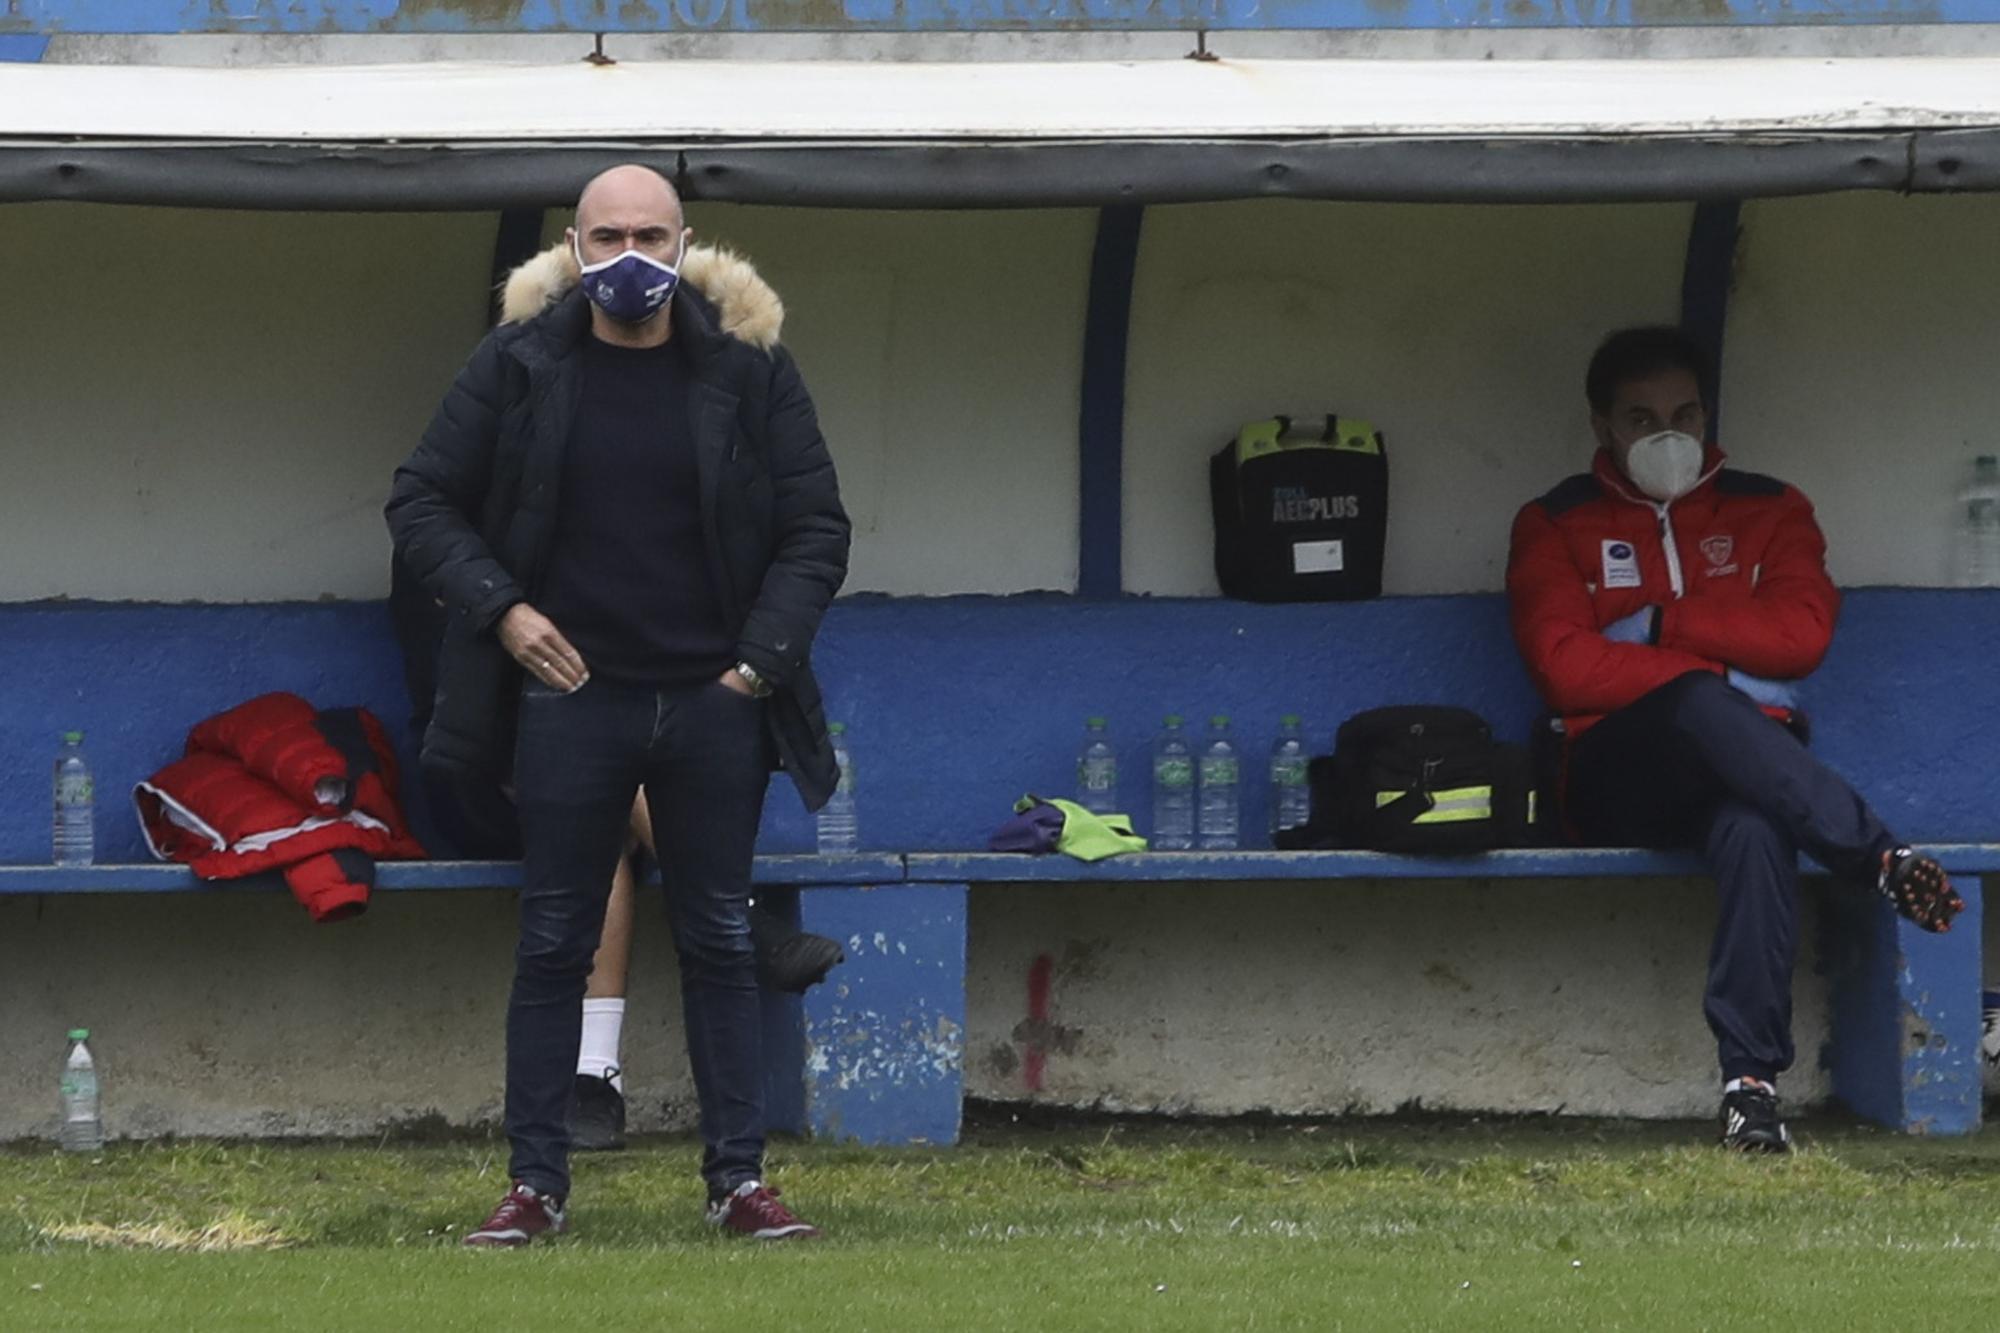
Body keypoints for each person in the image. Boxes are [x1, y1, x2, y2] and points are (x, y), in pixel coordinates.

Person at [388, 164, 850, 1245]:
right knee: (551, 942)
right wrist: (504, 612)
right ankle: (534, 1187)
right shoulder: (518, 362)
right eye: (608, 237)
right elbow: (419, 498)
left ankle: (739, 1182)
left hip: (713, 701)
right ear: (572, 244)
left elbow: (815, 526)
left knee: (721, 941)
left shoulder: (747, 369)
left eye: (650, 234)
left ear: (687, 245)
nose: (629, 257)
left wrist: (754, 667)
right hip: (571, 697)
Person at [1506, 325, 1963, 1154]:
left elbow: (1802, 633)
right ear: (1603, 427)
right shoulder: (1555, 521)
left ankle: (1750, 1088)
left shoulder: (1771, 507)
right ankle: (1879, 858)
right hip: (1615, 774)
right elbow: (1564, 666)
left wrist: (1658, 622)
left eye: (1685, 412)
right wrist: (1712, 668)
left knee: (1757, 831)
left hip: (1751, 780)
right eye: (1642, 418)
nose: (1667, 434)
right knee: (1696, 699)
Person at [390, 559, 844, 1155]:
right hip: (478, 785)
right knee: (586, 794)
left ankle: (595, 1076)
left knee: (595, 813)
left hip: (613, 791)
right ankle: (745, 923)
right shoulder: (448, 552)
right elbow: (467, 713)